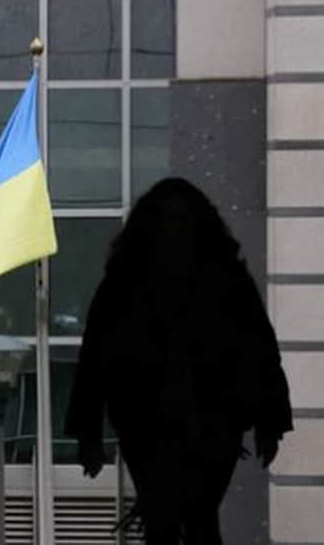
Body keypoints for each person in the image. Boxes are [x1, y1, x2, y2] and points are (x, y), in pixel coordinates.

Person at [65, 178, 292, 545]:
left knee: (171, 519)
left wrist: (88, 433)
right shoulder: (227, 280)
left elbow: (94, 358)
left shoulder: (124, 282)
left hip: (154, 421)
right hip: (202, 421)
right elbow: (260, 351)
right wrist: (270, 424)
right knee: (195, 518)